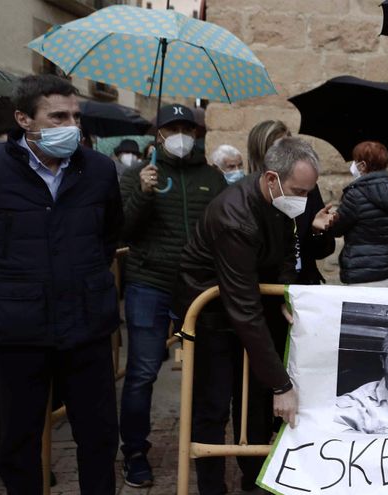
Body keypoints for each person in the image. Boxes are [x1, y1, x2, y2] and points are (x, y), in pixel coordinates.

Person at [0, 74, 123, 494]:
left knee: (98, 438)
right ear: (23, 118)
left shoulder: (99, 170)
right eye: (58, 116)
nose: (71, 126)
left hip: (87, 326)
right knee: (18, 441)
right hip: (16, 330)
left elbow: (109, 234)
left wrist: (87, 279)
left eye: (75, 116)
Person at [172, 136, 334, 494]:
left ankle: (255, 478)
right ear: (272, 178)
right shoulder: (236, 216)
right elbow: (243, 308)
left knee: (253, 401)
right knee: (213, 403)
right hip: (210, 312)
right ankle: (211, 487)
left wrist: (284, 296)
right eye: (299, 190)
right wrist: (283, 384)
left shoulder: (281, 202)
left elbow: (285, 255)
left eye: (309, 192)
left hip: (248, 299)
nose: (304, 201)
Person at [118, 103, 227, 487]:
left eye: (186, 127)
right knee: (143, 371)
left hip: (197, 289)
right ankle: (134, 452)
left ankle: (203, 451)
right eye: (171, 128)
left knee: (204, 373)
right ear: (158, 134)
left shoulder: (212, 178)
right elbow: (124, 231)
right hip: (149, 284)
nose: (179, 134)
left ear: (196, 133)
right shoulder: (138, 175)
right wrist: (143, 194)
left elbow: (222, 227)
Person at [246, 120, 335, 285]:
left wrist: (317, 231)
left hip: (302, 284)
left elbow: (323, 250)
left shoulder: (307, 188)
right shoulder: (249, 198)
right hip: (267, 290)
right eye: (278, 147)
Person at [329, 141, 388, 286]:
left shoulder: (355, 195)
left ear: (362, 166)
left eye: (355, 161)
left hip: (361, 272)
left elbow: (337, 228)